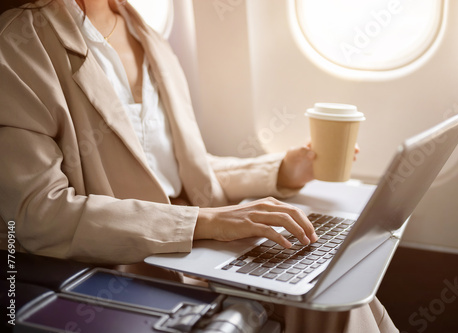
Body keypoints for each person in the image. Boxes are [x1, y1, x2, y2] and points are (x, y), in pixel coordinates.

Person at [0, 0, 397, 331]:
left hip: (188, 245)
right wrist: (203, 222)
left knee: (336, 290)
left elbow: (179, 169)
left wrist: (279, 172)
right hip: (119, 264)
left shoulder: (148, 37)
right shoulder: (20, 44)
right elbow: (37, 214)